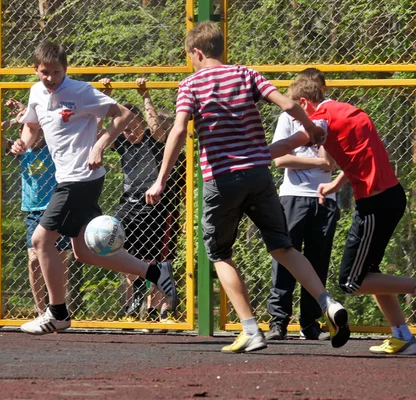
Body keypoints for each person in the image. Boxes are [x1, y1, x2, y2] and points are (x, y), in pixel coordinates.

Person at [144, 21, 350, 353]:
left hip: (221, 178)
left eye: (190, 57)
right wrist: (312, 130)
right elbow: (288, 105)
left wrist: (161, 178)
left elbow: (179, 131)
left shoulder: (191, 85)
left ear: (197, 52)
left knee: (220, 253)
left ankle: (251, 329)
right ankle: (328, 302)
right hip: (258, 174)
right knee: (283, 247)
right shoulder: (246, 74)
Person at [10, 41, 176, 335]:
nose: (50, 78)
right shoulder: (36, 92)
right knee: (85, 252)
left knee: (40, 241)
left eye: (56, 72)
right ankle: (154, 271)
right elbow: (32, 126)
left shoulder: (80, 92)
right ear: (35, 69)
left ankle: (57, 313)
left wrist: (100, 145)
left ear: (66, 69)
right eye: (44, 72)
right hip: (67, 178)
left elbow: (123, 113)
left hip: (81, 178)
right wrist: (23, 142)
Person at [278, 78, 416, 355]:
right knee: (370, 271)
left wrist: (249, 156)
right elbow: (360, 155)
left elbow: (291, 143)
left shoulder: (321, 119)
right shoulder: (347, 110)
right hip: (388, 197)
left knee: (352, 282)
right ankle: (402, 335)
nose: (297, 118)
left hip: (375, 204)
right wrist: (335, 185)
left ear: (304, 103)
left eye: (295, 112)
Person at [99, 78, 184, 328]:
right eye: (124, 128)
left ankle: (159, 308)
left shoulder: (154, 140)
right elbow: (100, 133)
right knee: (124, 254)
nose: (129, 132)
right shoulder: (122, 142)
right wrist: (106, 97)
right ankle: (132, 305)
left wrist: (145, 95)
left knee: (158, 260)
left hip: (158, 207)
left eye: (133, 126)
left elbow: (156, 126)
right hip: (129, 205)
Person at [265, 69, 339, 341]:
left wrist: (321, 150)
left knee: (318, 260)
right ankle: (279, 322)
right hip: (293, 195)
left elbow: (330, 160)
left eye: (319, 90)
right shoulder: (288, 118)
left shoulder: (331, 120)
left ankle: (310, 323)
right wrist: (319, 162)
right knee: (285, 256)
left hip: (324, 198)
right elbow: (281, 160)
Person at [0, 99, 72, 316]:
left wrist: (34, 116)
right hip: (34, 210)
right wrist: (16, 120)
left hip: (57, 207)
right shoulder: (20, 148)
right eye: (29, 127)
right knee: (34, 259)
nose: (32, 131)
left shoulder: (54, 145)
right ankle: (41, 310)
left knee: (61, 260)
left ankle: (59, 307)